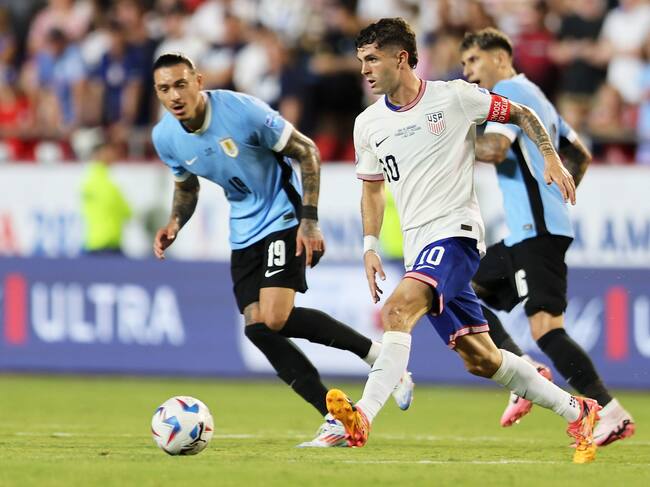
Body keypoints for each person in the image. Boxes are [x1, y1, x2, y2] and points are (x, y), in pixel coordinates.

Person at [324, 18, 598, 464]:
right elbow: (371, 188)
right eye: (361, 61)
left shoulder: (454, 97)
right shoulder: (367, 123)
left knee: (396, 310)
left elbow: (522, 114)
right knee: (482, 359)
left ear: (401, 57)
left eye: (371, 59)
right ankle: (578, 409)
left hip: (455, 234)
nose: (364, 70)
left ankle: (361, 418)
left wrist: (550, 157)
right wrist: (369, 245)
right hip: (418, 246)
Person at [149, 52, 414, 448]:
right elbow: (187, 185)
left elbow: (306, 150)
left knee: (272, 317)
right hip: (243, 231)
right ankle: (341, 406)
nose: (174, 95)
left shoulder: (241, 112)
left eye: (180, 84)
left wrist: (309, 219)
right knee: (258, 328)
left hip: (284, 216)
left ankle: (375, 366)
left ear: (198, 81)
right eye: (164, 89)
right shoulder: (165, 137)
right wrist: (175, 222)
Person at [460, 28, 635, 446]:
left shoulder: (506, 90)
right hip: (533, 230)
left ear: (500, 58)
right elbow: (579, 154)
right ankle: (524, 370)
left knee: (546, 328)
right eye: (465, 64)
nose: (468, 73)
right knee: (465, 283)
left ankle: (609, 413)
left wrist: (448, 140)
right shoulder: (536, 94)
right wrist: (558, 190)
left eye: (473, 62)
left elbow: (495, 150)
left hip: (535, 230)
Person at [80, 141, 132, 255]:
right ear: (98, 155)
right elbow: (127, 212)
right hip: (108, 245)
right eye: (107, 152)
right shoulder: (107, 185)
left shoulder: (88, 182)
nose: (112, 155)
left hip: (92, 242)